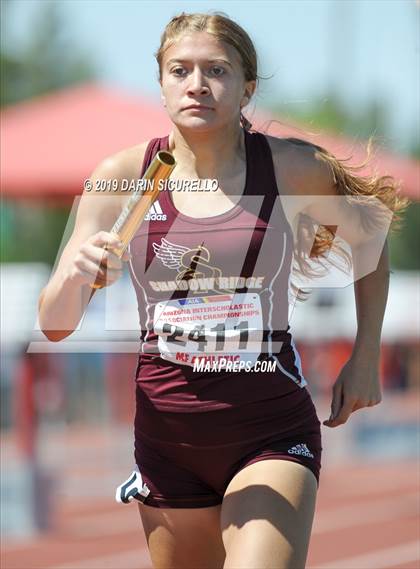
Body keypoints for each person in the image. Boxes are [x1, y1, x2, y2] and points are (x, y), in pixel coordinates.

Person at [38, 12, 407, 569]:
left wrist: (366, 353)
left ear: (246, 87)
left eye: (217, 70)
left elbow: (370, 245)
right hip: (168, 436)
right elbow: (55, 323)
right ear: (160, 83)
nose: (197, 84)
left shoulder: (290, 168)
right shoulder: (121, 177)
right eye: (179, 70)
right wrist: (73, 274)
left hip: (268, 427)